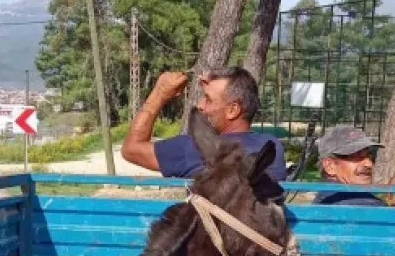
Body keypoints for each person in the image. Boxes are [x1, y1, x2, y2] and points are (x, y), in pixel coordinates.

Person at [121, 66, 287, 181]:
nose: (200, 105)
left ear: (233, 110)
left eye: (208, 99)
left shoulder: (193, 148)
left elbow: (131, 149)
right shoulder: (272, 146)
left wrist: (160, 93)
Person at [311, 124, 388, 206]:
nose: (369, 164)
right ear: (330, 166)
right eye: (355, 156)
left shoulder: (322, 200)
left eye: (369, 157)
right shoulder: (370, 207)